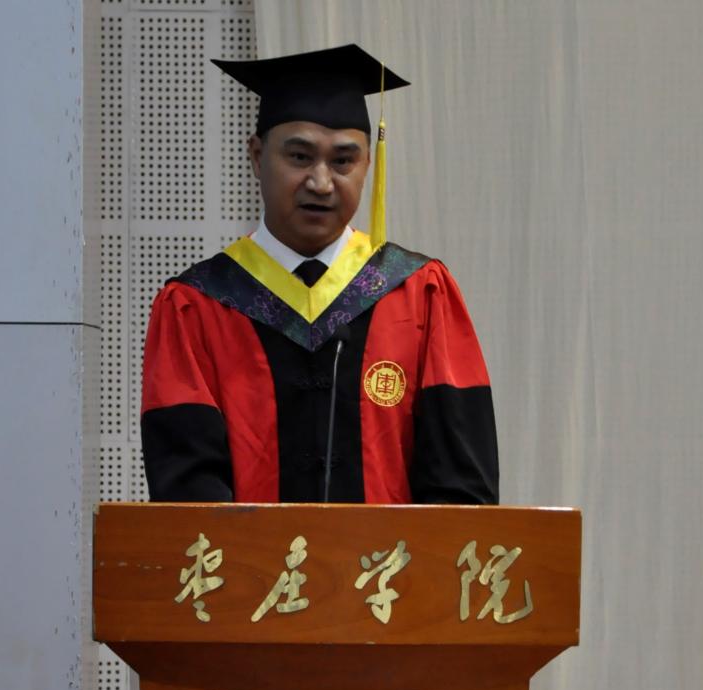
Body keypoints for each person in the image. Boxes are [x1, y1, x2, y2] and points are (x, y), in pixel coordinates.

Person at [141, 44, 498, 504]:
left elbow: (462, 489)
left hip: (390, 555)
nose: (321, 182)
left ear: (368, 164)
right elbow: (185, 493)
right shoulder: (197, 304)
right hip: (249, 555)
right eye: (299, 156)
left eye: (343, 160)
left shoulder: (420, 292)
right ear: (256, 156)